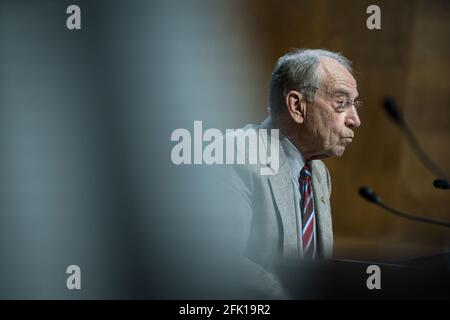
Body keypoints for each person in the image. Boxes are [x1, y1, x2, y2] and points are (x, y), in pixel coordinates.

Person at [200, 48, 362, 299]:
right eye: (341, 102)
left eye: (354, 104)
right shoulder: (235, 152)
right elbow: (222, 260)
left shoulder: (317, 173)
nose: (355, 120)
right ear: (297, 106)